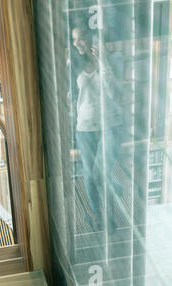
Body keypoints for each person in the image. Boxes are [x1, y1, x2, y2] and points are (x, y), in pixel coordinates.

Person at [71, 26, 126, 234]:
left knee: (99, 173)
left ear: (93, 37)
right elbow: (74, 94)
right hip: (84, 127)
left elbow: (115, 93)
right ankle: (97, 214)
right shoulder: (74, 63)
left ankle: (110, 217)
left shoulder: (115, 58)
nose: (77, 43)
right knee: (90, 174)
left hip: (111, 125)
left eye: (81, 38)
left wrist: (103, 61)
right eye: (74, 40)